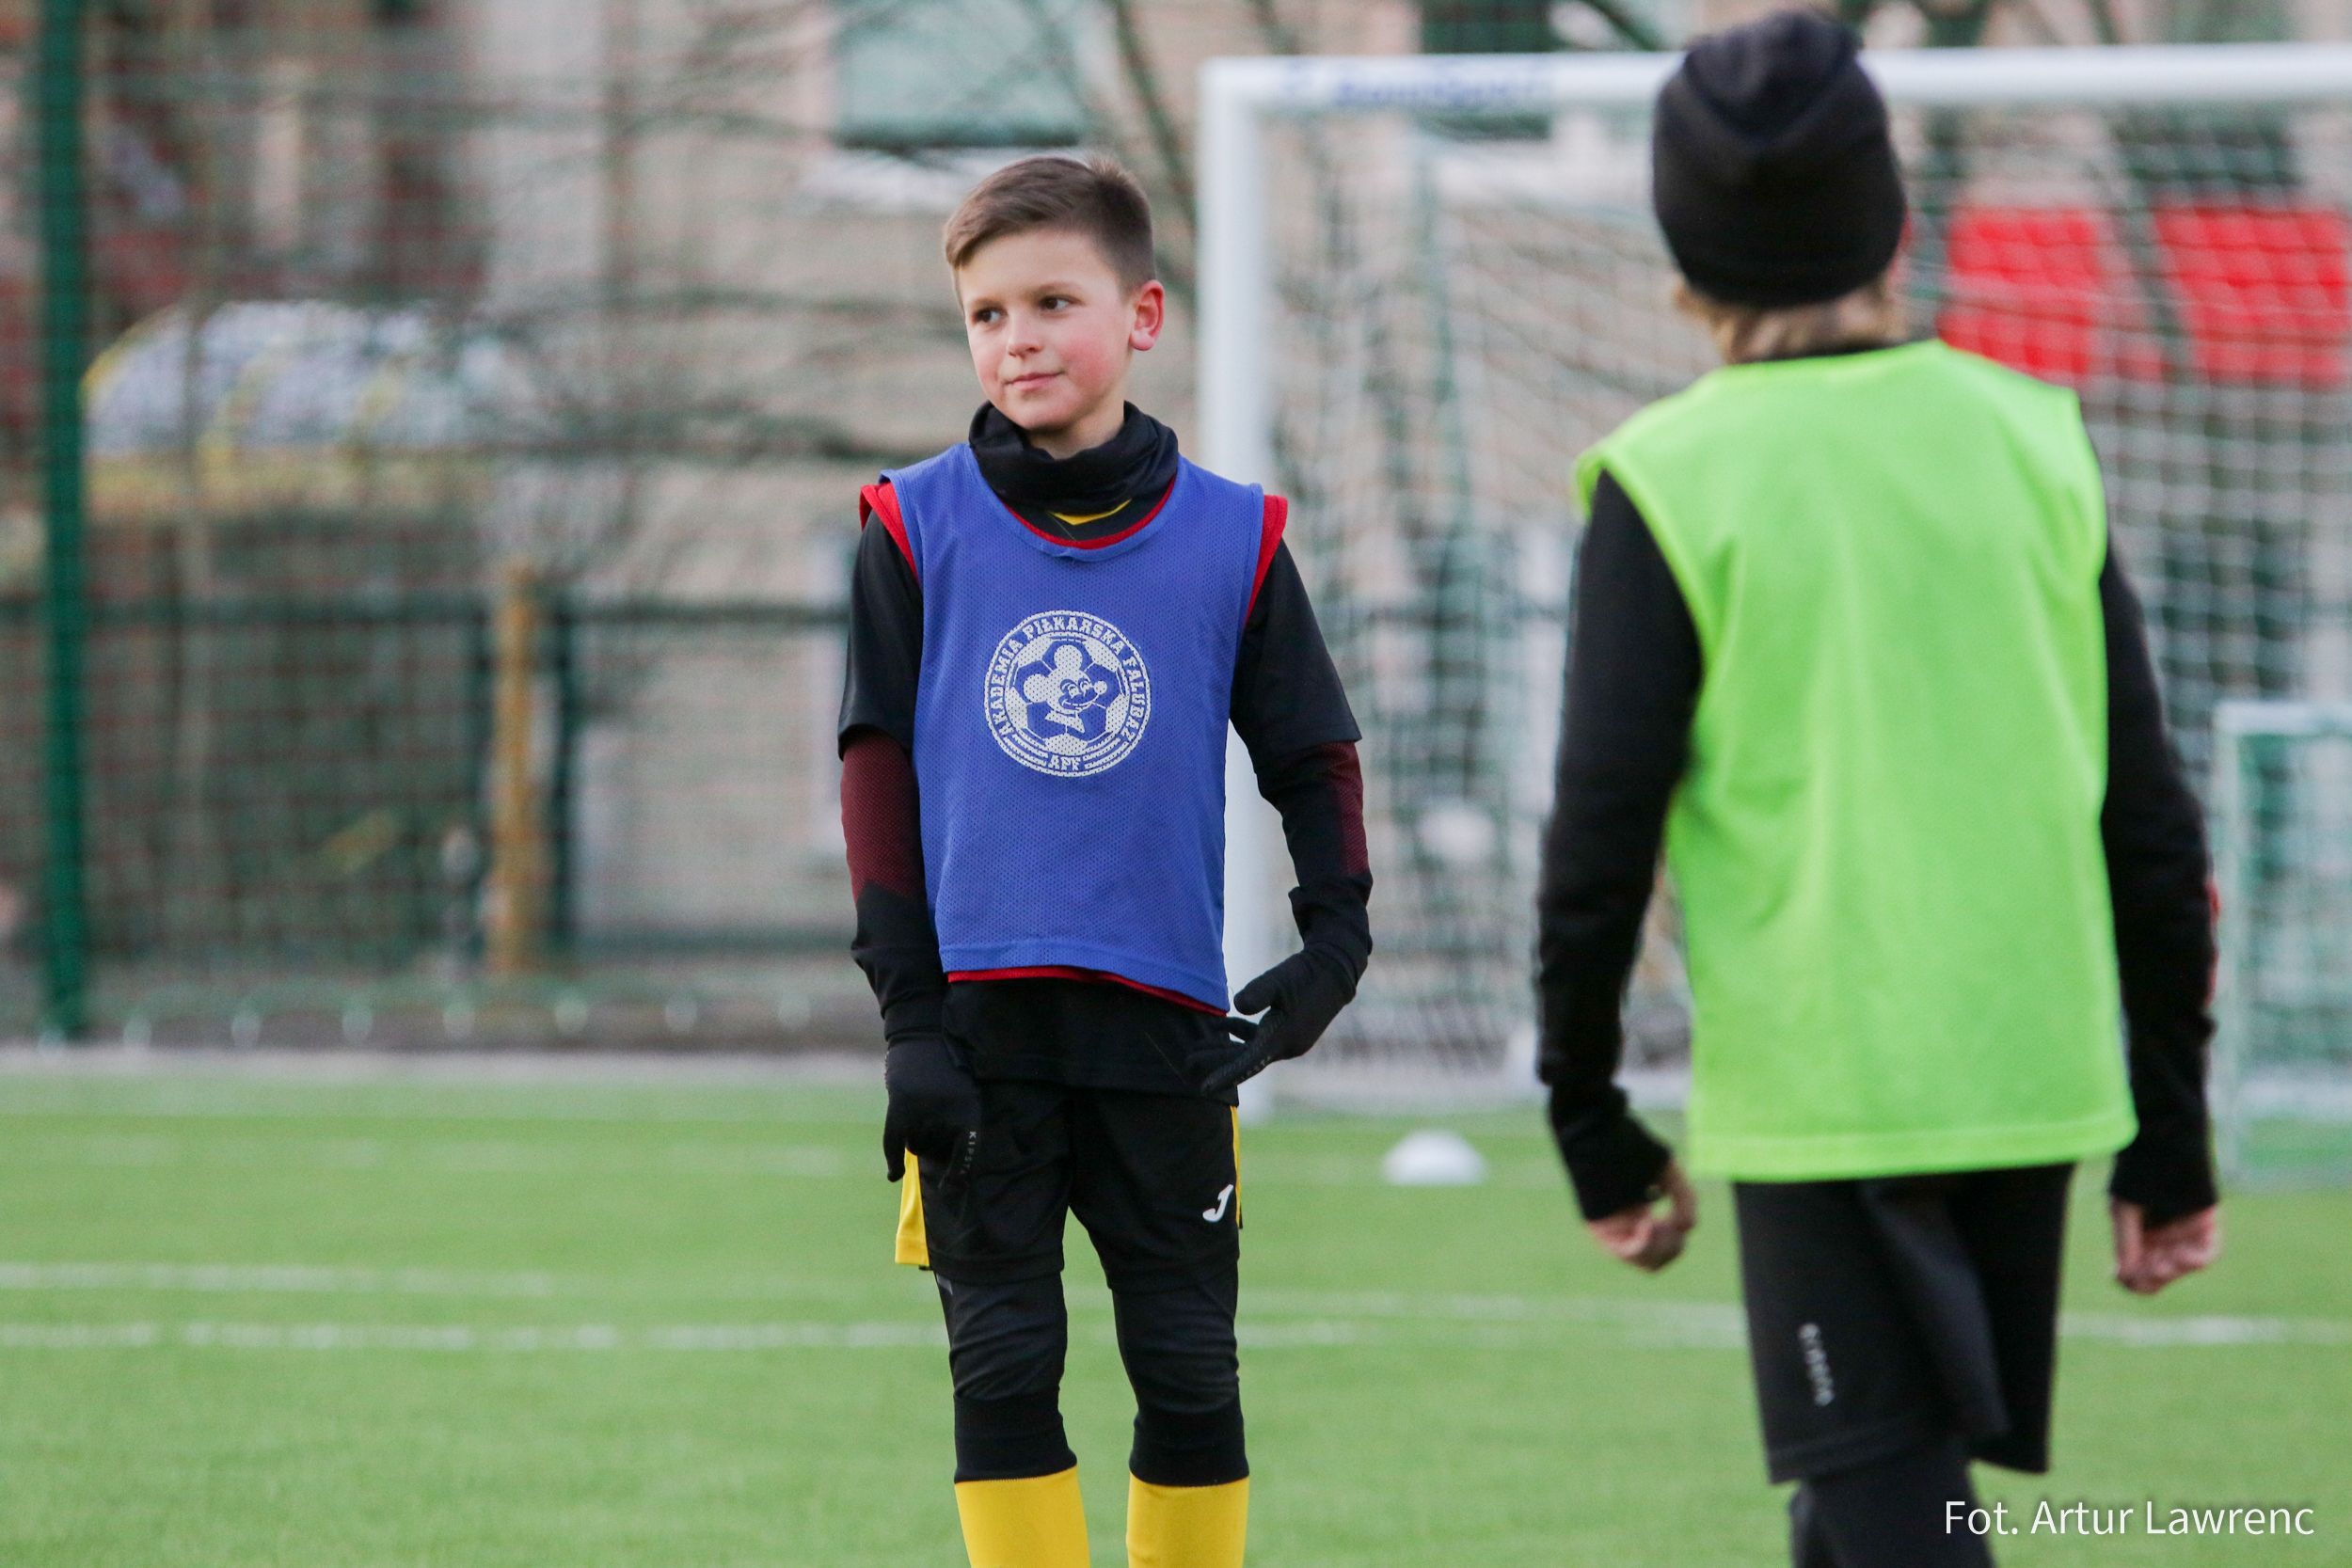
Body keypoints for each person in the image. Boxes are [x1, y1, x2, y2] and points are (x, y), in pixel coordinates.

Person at [1533, 12, 2221, 1567]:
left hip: (1828, 1091)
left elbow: (1598, 842)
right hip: (2028, 1074)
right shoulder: (2033, 439)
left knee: (1888, 1505)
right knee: (1866, 1505)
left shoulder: (1667, 478)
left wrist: (1589, 1114)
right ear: (1895, 220)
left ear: (1682, 251)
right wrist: (2170, 1130)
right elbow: (2151, 821)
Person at [837, 151, 1371, 1568]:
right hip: (980, 1036)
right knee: (1004, 1368)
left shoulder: (1236, 536)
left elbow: (1314, 753)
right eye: (987, 314)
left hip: (1166, 1034)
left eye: (1051, 303)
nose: (1016, 338)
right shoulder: (910, 525)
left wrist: (1335, 945)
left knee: (1189, 1373)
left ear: (1141, 316)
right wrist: (909, 1025)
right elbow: (875, 775)